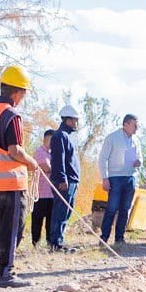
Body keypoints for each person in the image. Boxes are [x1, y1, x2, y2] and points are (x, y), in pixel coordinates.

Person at [0, 65, 45, 288]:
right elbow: (14, 150)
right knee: (11, 228)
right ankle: (6, 273)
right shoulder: (11, 116)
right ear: (17, 92)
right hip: (10, 181)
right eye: (24, 93)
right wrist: (33, 163)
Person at [99, 113, 142, 244]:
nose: (137, 128)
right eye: (135, 125)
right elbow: (102, 159)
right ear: (126, 124)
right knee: (112, 208)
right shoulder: (112, 138)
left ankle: (119, 238)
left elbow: (140, 157)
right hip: (115, 178)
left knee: (125, 209)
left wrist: (138, 162)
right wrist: (105, 178)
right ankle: (104, 237)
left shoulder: (136, 140)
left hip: (130, 178)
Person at [48, 105, 82, 249]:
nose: (76, 123)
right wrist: (62, 179)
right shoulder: (59, 136)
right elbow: (58, 159)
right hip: (64, 181)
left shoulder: (70, 136)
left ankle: (59, 240)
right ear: (67, 120)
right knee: (60, 211)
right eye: (74, 120)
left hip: (73, 180)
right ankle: (55, 243)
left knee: (66, 211)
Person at [30, 129, 56, 247]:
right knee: (37, 220)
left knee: (50, 221)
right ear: (47, 139)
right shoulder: (39, 152)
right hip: (41, 193)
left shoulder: (53, 153)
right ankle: (36, 244)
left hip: (52, 193)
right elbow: (47, 168)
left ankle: (50, 243)